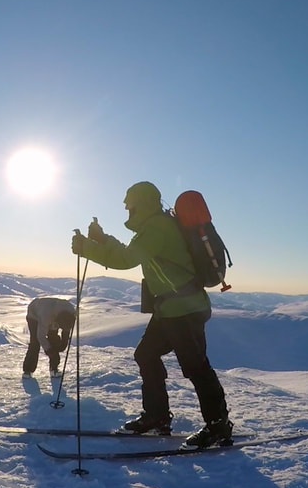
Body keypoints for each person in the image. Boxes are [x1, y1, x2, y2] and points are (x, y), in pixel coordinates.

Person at [70, 181, 232, 448]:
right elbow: (132, 252)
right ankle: (156, 417)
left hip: (184, 309)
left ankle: (218, 426)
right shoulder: (153, 226)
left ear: (141, 202)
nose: (125, 207)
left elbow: (125, 260)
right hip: (171, 308)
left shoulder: (157, 226)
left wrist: (87, 248)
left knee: (196, 367)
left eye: (128, 202)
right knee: (146, 354)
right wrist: (101, 239)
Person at [23, 297, 76, 377]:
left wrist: (63, 344)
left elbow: (67, 328)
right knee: (35, 342)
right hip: (34, 315)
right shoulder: (46, 316)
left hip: (53, 312)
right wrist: (49, 350)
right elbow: (40, 336)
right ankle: (28, 370)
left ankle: (54, 368)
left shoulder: (71, 313)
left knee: (54, 339)